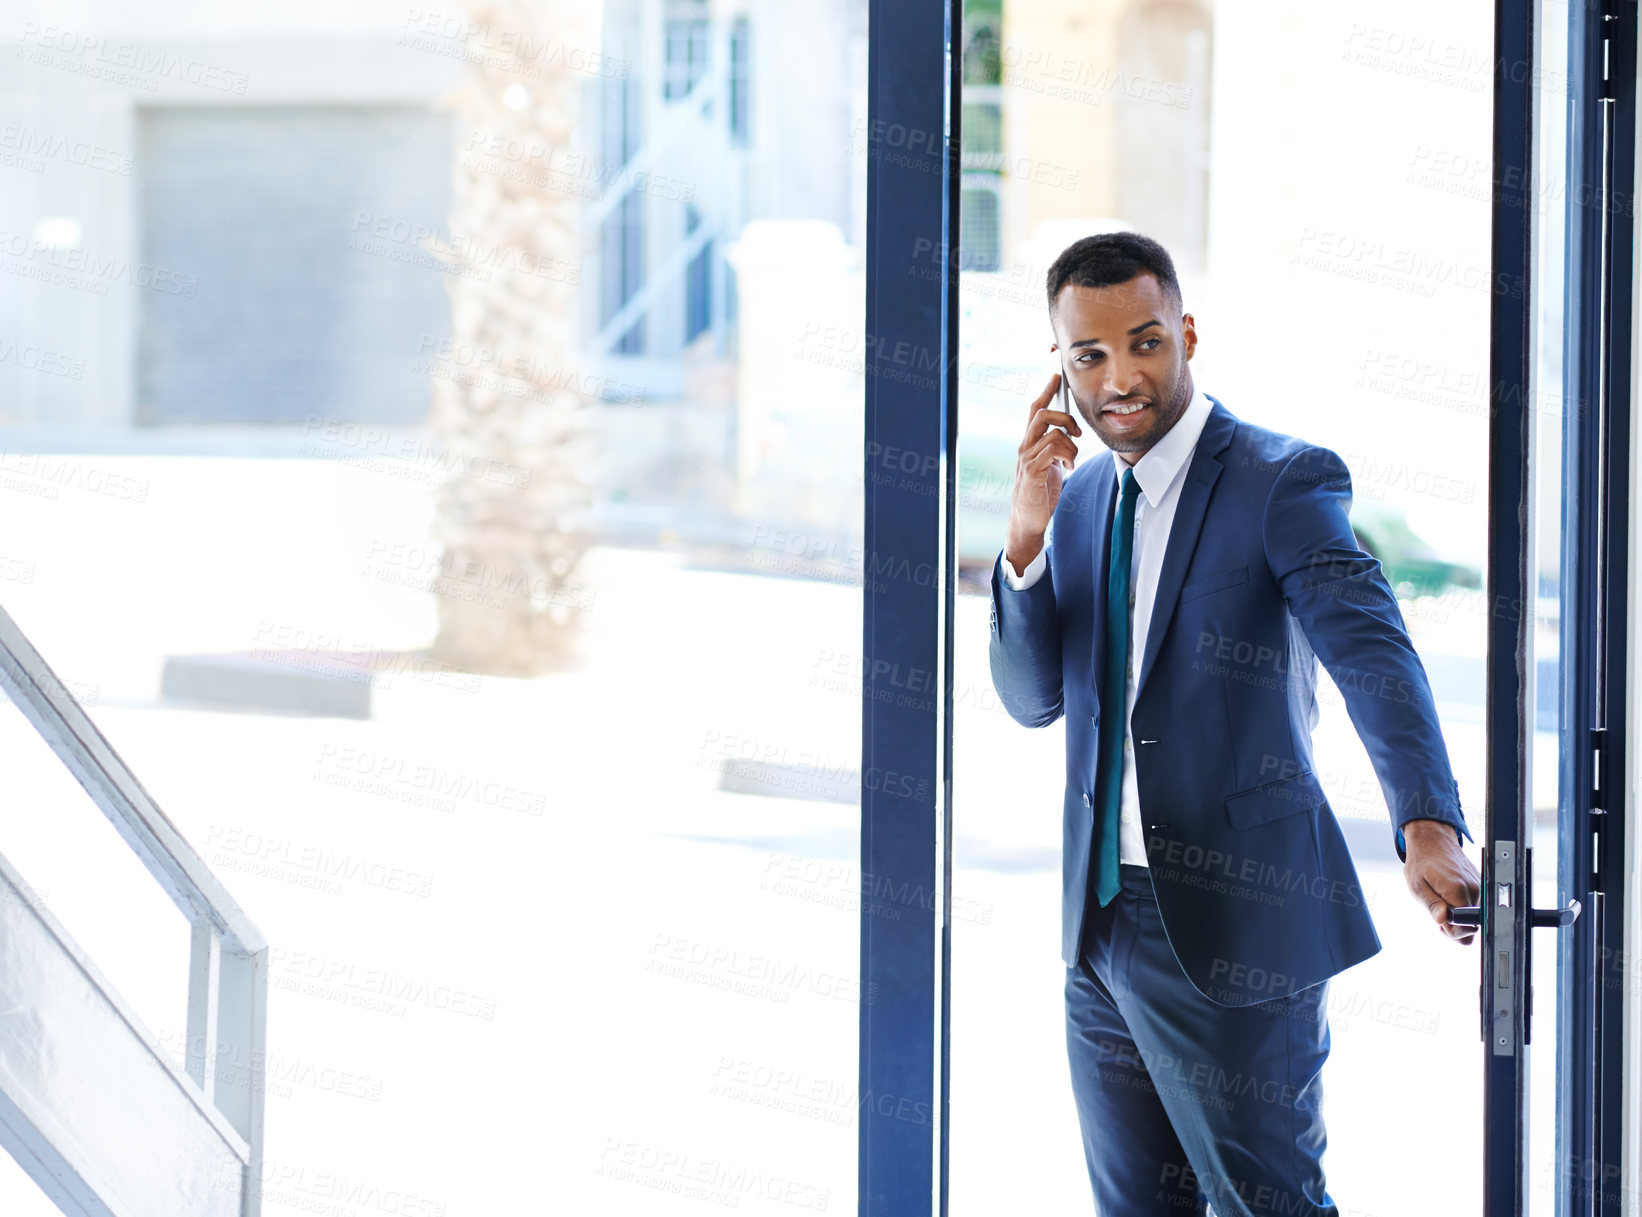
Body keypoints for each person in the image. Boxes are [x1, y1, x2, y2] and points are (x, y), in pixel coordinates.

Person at [988, 231, 1482, 1216]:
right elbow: (1030, 696)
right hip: (1099, 932)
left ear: (1187, 333)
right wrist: (1025, 531)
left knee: (1268, 1203)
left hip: (1238, 918)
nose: (1120, 376)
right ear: (1061, 366)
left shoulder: (1279, 480)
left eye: (1144, 342)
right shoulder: (1080, 500)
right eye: (1089, 355)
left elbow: (1370, 651)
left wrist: (1426, 821)